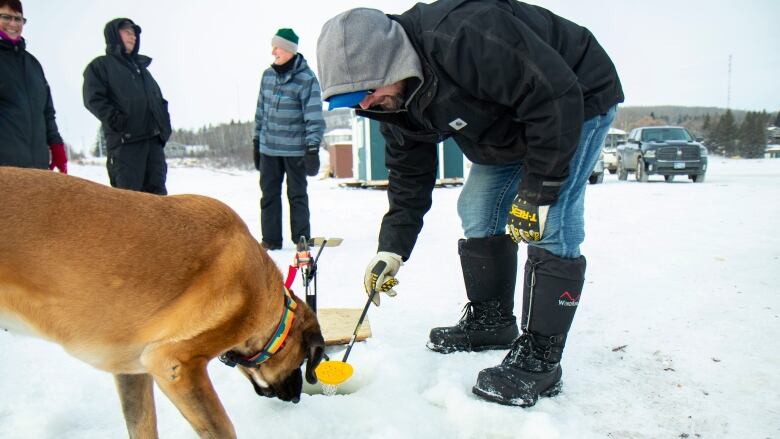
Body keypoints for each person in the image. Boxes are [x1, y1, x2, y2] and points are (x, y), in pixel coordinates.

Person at [317, 1, 623, 407]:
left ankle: (541, 359)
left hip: (574, 98)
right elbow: (409, 178)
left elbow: (553, 95)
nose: (366, 107)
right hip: (509, 121)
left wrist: (538, 191)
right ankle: (491, 321)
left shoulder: (466, 35)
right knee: (478, 206)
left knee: (553, 218)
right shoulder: (393, 104)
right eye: (353, 102)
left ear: (392, 64)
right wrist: (391, 249)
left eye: (367, 94)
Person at [253, 28, 325, 250]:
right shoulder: (267, 75)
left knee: (297, 196)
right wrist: (256, 141)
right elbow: (260, 111)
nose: (273, 51)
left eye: (277, 47)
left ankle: (301, 239)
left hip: (295, 151)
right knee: (269, 196)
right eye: (273, 47)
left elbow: (313, 117)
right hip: (269, 150)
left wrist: (312, 148)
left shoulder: (306, 79)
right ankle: (271, 240)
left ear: (289, 50)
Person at [83, 18, 171, 195]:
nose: (133, 37)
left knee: (159, 205)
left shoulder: (142, 70)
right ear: (114, 35)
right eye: (127, 32)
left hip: (153, 147)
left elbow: (159, 101)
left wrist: (164, 129)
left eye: (134, 33)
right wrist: (117, 121)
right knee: (129, 205)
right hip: (126, 147)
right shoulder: (101, 66)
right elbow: (93, 99)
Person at [0, 0, 67, 173]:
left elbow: (47, 111)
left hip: (38, 168)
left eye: (18, 19)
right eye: (6, 17)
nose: (13, 24)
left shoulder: (33, 64)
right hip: (5, 171)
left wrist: (56, 145)